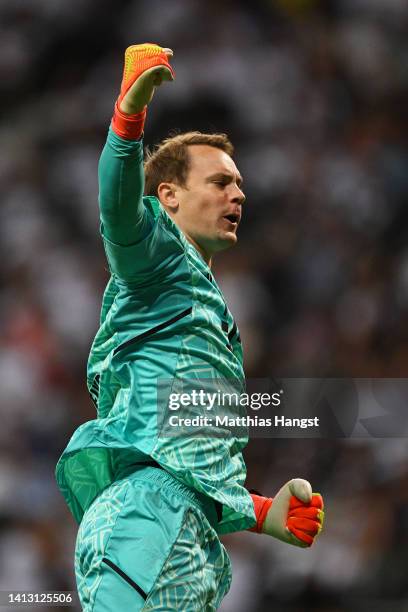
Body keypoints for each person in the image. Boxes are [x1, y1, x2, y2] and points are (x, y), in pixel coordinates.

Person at [56, 43, 324, 611]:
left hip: (181, 531)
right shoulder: (156, 259)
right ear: (169, 196)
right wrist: (129, 117)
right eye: (221, 182)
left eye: (239, 183)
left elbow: (184, 449)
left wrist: (259, 512)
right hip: (147, 519)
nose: (239, 193)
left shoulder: (204, 306)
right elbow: (118, 212)